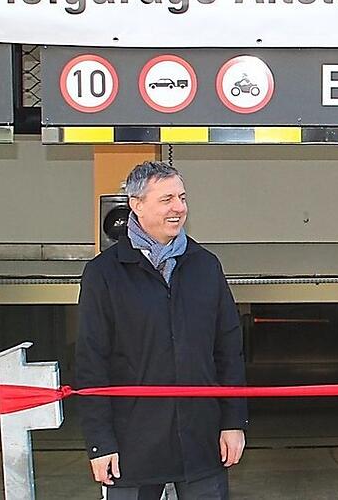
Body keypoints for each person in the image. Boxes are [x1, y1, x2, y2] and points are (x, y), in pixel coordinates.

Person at [76, 161, 248, 500]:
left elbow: (228, 349)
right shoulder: (104, 274)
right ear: (136, 205)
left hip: (201, 441)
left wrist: (234, 422)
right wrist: (100, 442)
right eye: (166, 199)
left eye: (182, 198)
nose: (179, 208)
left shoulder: (205, 266)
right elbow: (91, 361)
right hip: (132, 447)